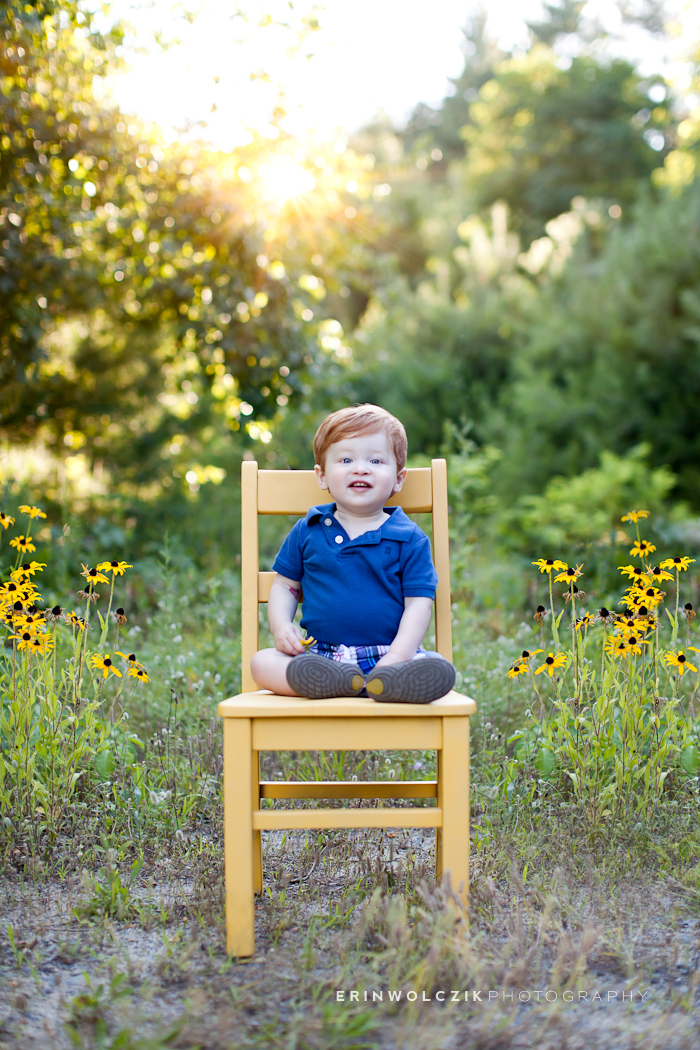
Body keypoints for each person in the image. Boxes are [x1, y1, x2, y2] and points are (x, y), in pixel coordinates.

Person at [250, 404, 456, 703]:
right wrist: (282, 626)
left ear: (398, 478)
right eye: (346, 459)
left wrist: (397, 657)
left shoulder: (410, 538)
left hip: (391, 655)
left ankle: (384, 681)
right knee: (262, 663)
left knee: (435, 665)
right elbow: (285, 586)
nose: (361, 468)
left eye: (375, 460)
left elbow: (418, 605)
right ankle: (345, 683)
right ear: (321, 476)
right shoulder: (308, 530)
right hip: (321, 658)